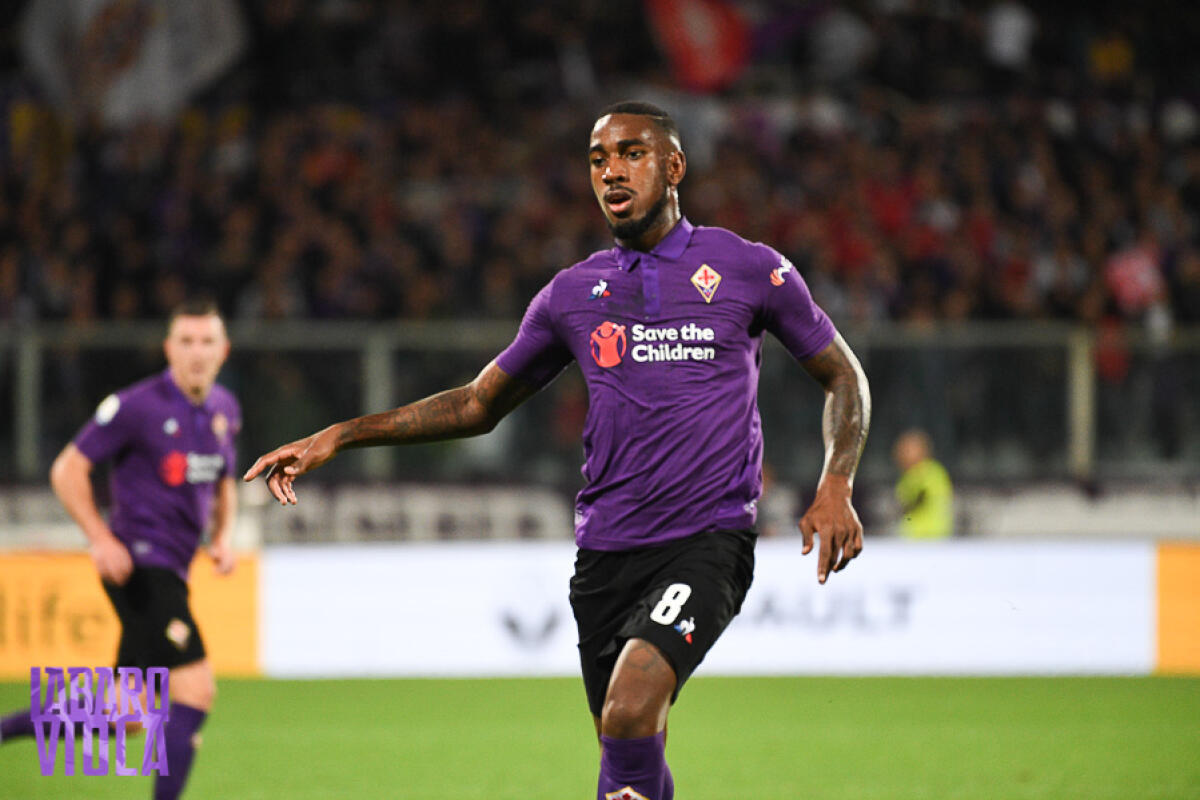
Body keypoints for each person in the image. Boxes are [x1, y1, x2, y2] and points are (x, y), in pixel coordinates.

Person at [243, 101, 871, 800]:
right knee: (626, 749)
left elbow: (844, 377)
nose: (612, 171)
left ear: (674, 167)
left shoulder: (748, 268)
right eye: (598, 160)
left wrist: (836, 482)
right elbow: (477, 405)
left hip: (707, 542)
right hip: (605, 555)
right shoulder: (572, 294)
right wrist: (342, 434)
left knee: (630, 708)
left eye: (631, 153)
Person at [0, 299, 241, 800]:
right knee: (195, 689)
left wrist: (223, 536)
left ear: (224, 350)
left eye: (207, 342)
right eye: (186, 341)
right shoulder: (136, 407)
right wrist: (100, 537)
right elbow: (67, 469)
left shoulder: (224, 409)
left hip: (174, 569)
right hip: (139, 565)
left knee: (128, 713)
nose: (197, 352)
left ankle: (4, 730)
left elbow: (224, 480)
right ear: (169, 348)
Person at [892, 428, 954, 539]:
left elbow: (919, 500)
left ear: (923, 450)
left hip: (932, 538)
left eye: (907, 449)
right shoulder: (906, 478)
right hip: (911, 539)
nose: (900, 453)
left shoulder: (932, 472)